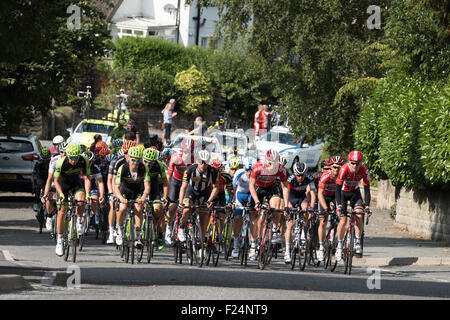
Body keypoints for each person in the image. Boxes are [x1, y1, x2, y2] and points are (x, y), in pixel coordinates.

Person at [249, 149, 290, 261]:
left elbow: (285, 187)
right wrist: (257, 201)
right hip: (259, 188)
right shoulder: (257, 167)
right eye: (271, 164)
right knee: (254, 217)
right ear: (266, 161)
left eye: (276, 164)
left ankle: (275, 229)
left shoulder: (281, 169)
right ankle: (253, 244)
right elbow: (251, 186)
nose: (274, 167)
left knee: (276, 205)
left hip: (271, 187)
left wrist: (286, 205)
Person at [53, 142, 91, 256]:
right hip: (62, 186)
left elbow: (87, 177)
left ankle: (79, 221)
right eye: (71, 158)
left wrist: (88, 194)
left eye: (76, 157)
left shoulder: (84, 160)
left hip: (76, 184)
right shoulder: (61, 162)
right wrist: (61, 194)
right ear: (67, 155)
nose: (74, 160)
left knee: (81, 199)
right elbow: (55, 180)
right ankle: (59, 240)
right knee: (62, 212)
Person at [335, 150, 372, 261]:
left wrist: (367, 206)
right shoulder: (344, 169)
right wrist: (340, 205)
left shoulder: (364, 171)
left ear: (361, 163)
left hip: (354, 193)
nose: (355, 165)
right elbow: (337, 188)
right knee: (343, 220)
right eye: (353, 163)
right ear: (349, 162)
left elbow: (366, 190)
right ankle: (339, 245)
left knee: (359, 215)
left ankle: (357, 241)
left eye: (358, 163)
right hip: (342, 193)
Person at [177, 149, 221, 243]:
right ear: (197, 161)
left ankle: (201, 240)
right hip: (191, 190)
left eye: (206, 163)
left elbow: (216, 188)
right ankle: (181, 228)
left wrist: (209, 201)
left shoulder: (213, 171)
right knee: (186, 209)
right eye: (201, 162)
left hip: (205, 192)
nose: (203, 165)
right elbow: (183, 187)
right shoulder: (189, 170)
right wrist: (181, 203)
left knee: (204, 216)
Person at [113, 146, 151, 248]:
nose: (135, 163)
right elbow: (116, 187)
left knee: (139, 208)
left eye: (138, 160)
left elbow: (147, 186)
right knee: (122, 208)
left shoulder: (143, 168)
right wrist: (120, 198)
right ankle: (120, 231)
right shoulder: (123, 168)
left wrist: (143, 197)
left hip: (138, 191)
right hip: (125, 191)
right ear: (129, 158)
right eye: (133, 160)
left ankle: (138, 237)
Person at [283, 162, 316, 263]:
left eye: (302, 175)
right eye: (298, 175)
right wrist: (286, 205)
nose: (300, 178)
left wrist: (312, 207)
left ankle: (303, 230)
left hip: (302, 198)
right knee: (290, 225)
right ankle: (287, 252)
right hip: (291, 198)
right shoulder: (290, 178)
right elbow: (286, 192)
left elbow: (313, 193)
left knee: (306, 208)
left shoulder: (309, 178)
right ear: (294, 173)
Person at [316, 155, 343, 262]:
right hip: (325, 197)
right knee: (323, 221)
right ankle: (321, 247)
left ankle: (335, 239)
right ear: (331, 167)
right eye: (334, 167)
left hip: (336, 196)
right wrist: (326, 208)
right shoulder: (325, 176)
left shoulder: (343, 176)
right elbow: (320, 195)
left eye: (338, 167)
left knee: (341, 218)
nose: (336, 169)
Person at [230, 156, 257, 259]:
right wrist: (233, 201)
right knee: (237, 219)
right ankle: (235, 246)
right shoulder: (239, 173)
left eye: (251, 171)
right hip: (240, 196)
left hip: (251, 196)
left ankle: (253, 247)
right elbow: (234, 189)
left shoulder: (257, 175)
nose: (249, 173)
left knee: (253, 220)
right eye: (247, 170)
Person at [142, 148, 169, 251]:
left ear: (155, 161)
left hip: (154, 187)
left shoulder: (159, 165)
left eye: (150, 162)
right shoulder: (139, 164)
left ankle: (160, 236)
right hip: (141, 186)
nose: (148, 164)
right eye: (146, 161)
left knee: (158, 210)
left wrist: (164, 198)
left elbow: (165, 183)